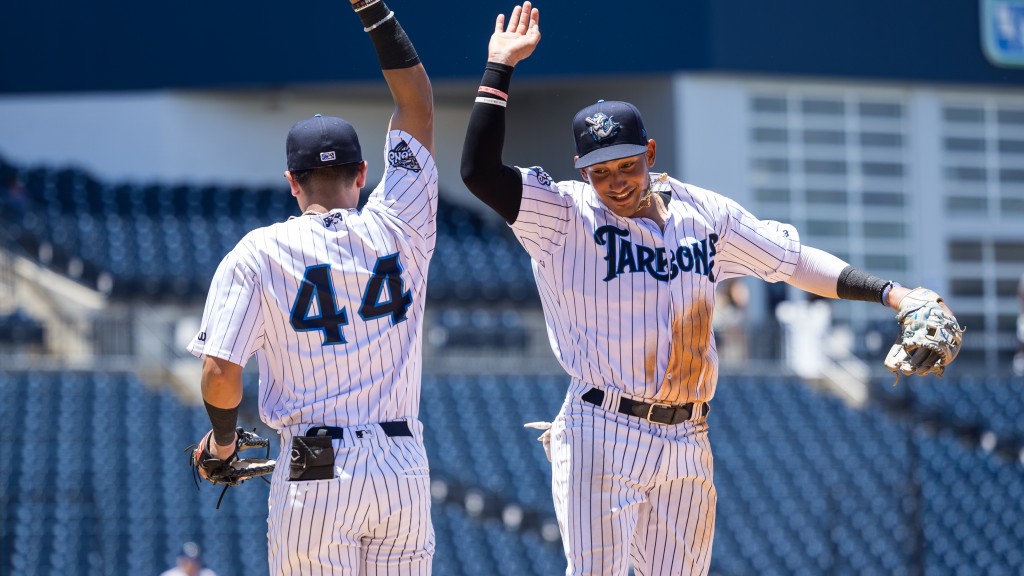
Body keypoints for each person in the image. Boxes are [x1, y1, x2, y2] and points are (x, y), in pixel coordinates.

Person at [460, 4, 960, 574]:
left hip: (687, 434)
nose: (615, 183)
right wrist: (498, 69)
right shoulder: (565, 217)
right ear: (582, 171)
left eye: (625, 165)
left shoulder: (705, 214)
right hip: (601, 428)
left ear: (649, 154)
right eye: (600, 172)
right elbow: (478, 172)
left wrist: (893, 293)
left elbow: (793, 262)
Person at [186, 0, 437, 573]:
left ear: (291, 183)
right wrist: (374, 11)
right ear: (363, 174)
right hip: (403, 465)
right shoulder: (403, 222)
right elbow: (417, 103)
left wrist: (223, 444)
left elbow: (221, 372)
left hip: (317, 467)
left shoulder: (259, 251)